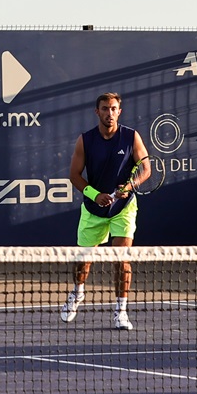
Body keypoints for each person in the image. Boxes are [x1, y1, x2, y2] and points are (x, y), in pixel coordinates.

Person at [61, 92, 151, 331]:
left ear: (119, 112)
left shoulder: (131, 137)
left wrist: (129, 186)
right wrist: (94, 195)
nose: (109, 113)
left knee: (121, 259)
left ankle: (120, 311)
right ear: (97, 112)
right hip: (93, 210)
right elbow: (74, 175)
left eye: (113, 109)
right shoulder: (86, 140)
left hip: (123, 208)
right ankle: (78, 292)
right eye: (104, 109)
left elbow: (146, 169)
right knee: (83, 262)